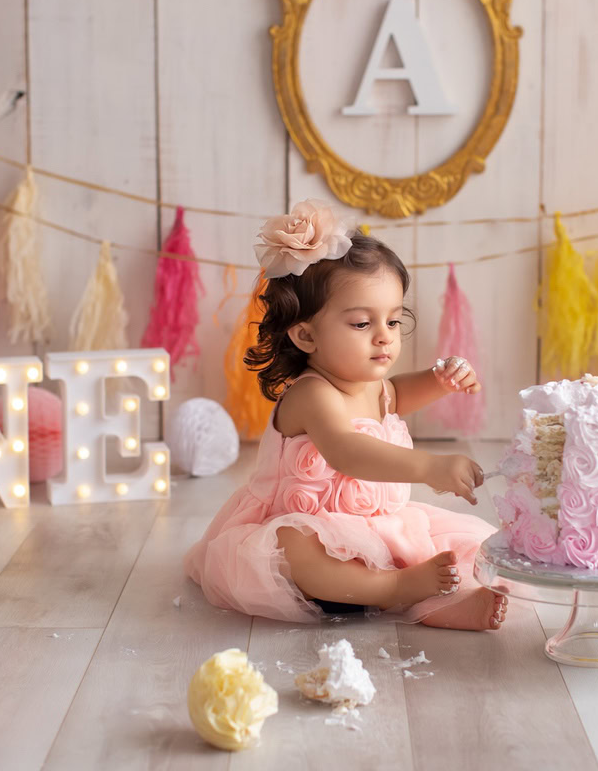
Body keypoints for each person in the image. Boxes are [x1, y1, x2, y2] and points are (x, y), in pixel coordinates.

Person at [184, 200, 507, 630]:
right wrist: (428, 466)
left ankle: (445, 602)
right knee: (294, 546)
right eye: (361, 324)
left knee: (446, 546)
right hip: (311, 549)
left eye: (393, 322)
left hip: (374, 533)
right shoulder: (311, 394)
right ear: (306, 335)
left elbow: (397, 393)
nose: (384, 338)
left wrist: (439, 380)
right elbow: (346, 450)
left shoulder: (373, 387)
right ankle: (394, 589)